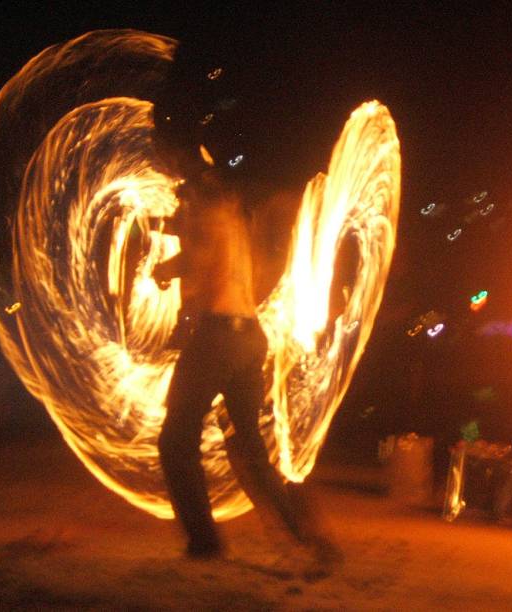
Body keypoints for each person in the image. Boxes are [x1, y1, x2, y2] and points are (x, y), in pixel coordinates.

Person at [150, 38, 342, 567]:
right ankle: (309, 536)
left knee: (175, 439)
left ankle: (204, 541)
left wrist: (169, 265)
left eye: (164, 157)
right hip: (247, 334)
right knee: (250, 451)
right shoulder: (227, 195)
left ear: (175, 156)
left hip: (216, 334)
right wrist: (172, 262)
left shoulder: (197, 196)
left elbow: (202, 254)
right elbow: (223, 253)